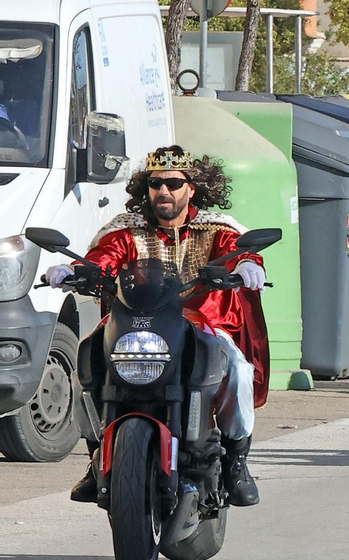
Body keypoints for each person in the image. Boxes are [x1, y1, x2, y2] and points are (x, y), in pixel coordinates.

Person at [51, 147, 269, 506]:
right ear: (146, 188)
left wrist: (247, 265)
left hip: (203, 320)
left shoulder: (217, 227)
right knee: (86, 358)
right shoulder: (127, 230)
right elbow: (104, 257)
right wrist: (76, 272)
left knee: (239, 370)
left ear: (191, 188)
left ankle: (235, 460)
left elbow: (239, 250)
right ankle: (95, 455)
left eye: (173, 183)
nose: (163, 191)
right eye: (155, 183)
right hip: (135, 321)